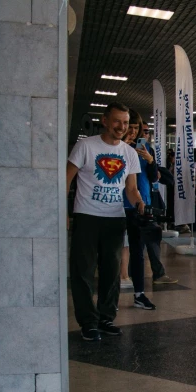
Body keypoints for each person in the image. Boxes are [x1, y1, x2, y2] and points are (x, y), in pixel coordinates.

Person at [66, 102, 145, 341]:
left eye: (126, 122)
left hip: (114, 219)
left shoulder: (129, 153)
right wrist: (64, 214)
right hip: (86, 216)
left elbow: (130, 189)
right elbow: (65, 180)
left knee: (112, 272)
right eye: (117, 121)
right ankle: (88, 322)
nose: (122, 127)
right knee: (83, 272)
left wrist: (140, 203)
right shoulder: (85, 146)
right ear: (105, 120)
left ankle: (105, 318)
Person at [121, 109, 177, 311]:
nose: (135, 133)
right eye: (133, 128)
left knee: (138, 250)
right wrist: (125, 148)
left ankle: (139, 293)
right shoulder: (119, 148)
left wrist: (151, 161)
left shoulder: (147, 150)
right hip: (118, 204)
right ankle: (111, 293)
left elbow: (154, 178)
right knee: (114, 249)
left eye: (139, 129)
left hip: (141, 202)